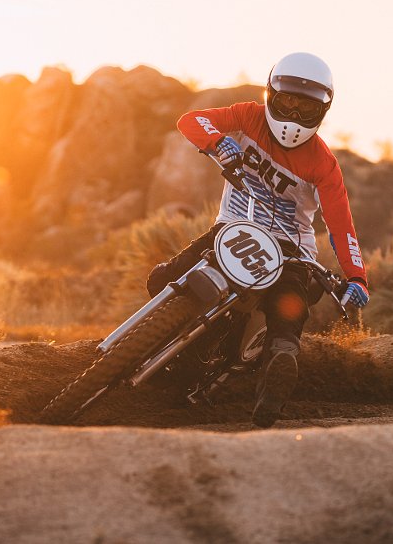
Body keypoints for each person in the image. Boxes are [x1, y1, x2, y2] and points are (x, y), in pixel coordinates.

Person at [146, 52, 369, 428]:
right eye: (287, 102)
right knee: (160, 279)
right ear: (271, 94)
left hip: (288, 248)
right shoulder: (248, 116)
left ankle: (278, 368)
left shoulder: (324, 164)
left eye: (307, 108)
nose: (295, 116)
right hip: (234, 228)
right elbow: (191, 120)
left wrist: (357, 277)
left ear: (323, 110)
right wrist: (216, 141)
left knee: (289, 304)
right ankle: (184, 346)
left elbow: (340, 225)